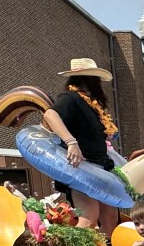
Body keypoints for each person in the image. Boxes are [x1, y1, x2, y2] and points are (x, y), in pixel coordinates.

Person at [41, 58, 120, 236]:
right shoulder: (71, 98)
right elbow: (50, 114)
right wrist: (71, 142)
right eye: (95, 78)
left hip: (102, 166)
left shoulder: (92, 104)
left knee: (110, 218)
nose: (98, 83)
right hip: (82, 168)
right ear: (88, 79)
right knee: (89, 219)